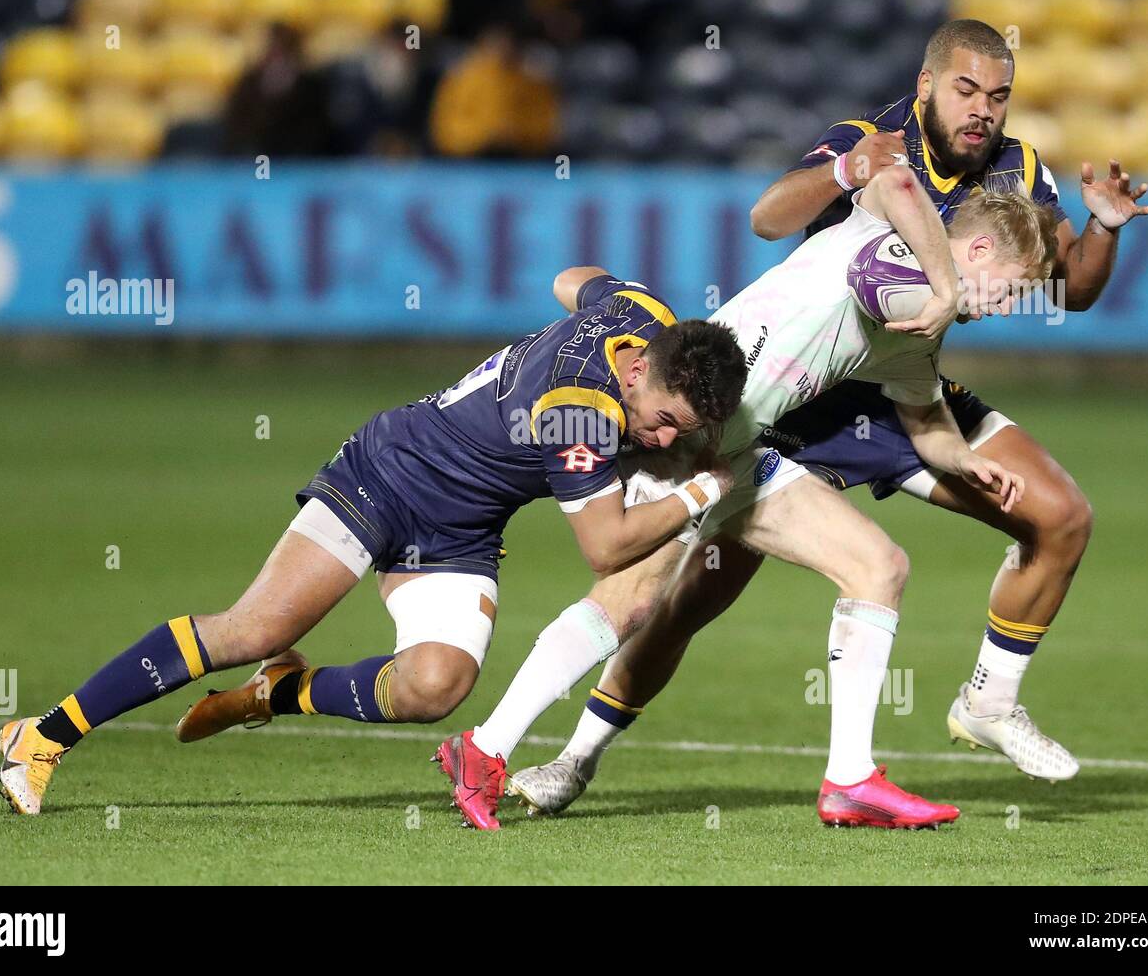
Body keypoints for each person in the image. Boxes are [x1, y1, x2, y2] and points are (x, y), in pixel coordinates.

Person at [509, 19, 1148, 818]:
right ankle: (576, 756)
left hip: (905, 385)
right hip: (803, 399)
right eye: (965, 90)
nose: (983, 110)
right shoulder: (873, 142)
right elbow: (768, 217)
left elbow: (1073, 288)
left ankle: (989, 703)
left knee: (1059, 516)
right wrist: (848, 171)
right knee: (685, 600)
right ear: (926, 86)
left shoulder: (1019, 169)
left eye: (998, 96)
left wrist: (1103, 228)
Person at [441, 165, 1056, 831]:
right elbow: (900, 188)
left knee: (877, 567)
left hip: (740, 450)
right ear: (980, 251)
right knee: (630, 600)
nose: (1004, 308)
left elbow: (927, 424)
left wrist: (969, 460)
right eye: (1011, 289)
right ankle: (485, 747)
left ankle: (850, 780)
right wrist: (942, 286)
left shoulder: (918, 327)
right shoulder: (900, 262)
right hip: (683, 432)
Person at [0, 292, 746, 816]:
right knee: (251, 629)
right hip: (386, 476)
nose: (663, 439)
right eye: (663, 421)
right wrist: (699, 493)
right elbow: (607, 548)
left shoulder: (640, 317)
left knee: (434, 687)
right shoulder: (577, 412)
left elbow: (574, 282)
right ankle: (43, 735)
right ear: (639, 372)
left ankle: (278, 693)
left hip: (461, 528)